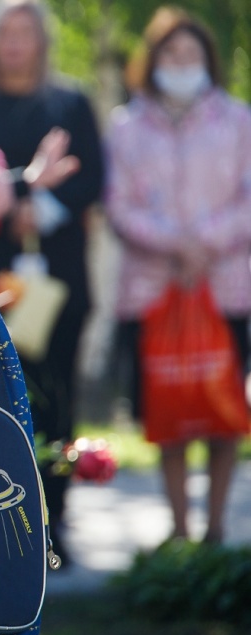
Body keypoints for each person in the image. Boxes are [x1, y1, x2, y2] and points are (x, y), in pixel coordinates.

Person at [0, 0, 105, 565]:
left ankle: (55, 527)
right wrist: (6, 204)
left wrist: (43, 208)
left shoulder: (70, 103)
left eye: (24, 32)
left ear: (41, 41)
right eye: (4, 31)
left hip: (57, 279)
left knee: (56, 398)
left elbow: (94, 177)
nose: (13, 43)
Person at [106, 6, 251, 545]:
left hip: (226, 286)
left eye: (192, 53)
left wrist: (205, 242)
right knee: (168, 409)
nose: (182, 62)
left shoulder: (237, 120)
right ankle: (178, 527)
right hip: (152, 290)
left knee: (222, 408)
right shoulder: (126, 127)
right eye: (171, 53)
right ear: (153, 60)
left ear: (208, 60)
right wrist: (175, 243)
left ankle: (215, 528)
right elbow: (119, 206)